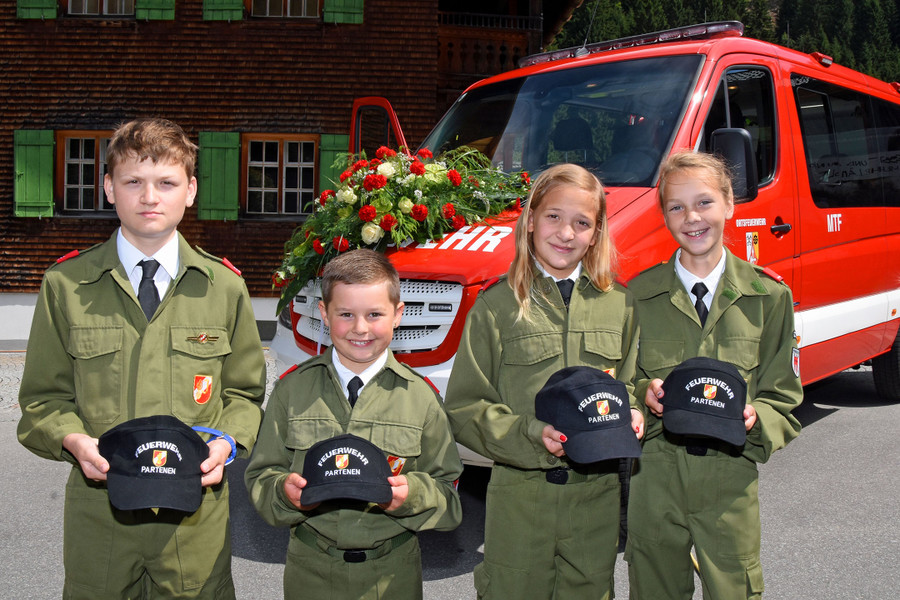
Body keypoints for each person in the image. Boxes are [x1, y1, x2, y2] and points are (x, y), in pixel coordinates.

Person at [16, 118, 267, 599]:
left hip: (194, 515)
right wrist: (73, 440)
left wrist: (225, 443)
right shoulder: (66, 286)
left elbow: (244, 393)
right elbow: (43, 399)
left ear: (190, 191)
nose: (150, 197)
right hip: (101, 514)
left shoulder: (223, 287)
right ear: (109, 188)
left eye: (166, 183)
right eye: (133, 181)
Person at [443, 163, 644, 600]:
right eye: (554, 216)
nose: (566, 233)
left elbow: (631, 381)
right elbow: (464, 407)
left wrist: (633, 408)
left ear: (596, 233)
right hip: (521, 497)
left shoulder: (621, 304)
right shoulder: (498, 305)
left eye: (582, 223)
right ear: (531, 219)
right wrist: (532, 434)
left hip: (596, 498)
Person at [624, 151, 802, 600]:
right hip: (656, 476)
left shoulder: (768, 296)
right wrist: (643, 393)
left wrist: (756, 418)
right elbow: (618, 383)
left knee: (735, 590)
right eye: (676, 207)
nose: (692, 217)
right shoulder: (636, 296)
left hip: (730, 478)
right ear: (664, 216)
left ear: (729, 204)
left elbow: (783, 394)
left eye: (704, 202)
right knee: (655, 589)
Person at [244, 248, 463, 600]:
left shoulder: (421, 397)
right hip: (311, 572)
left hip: (391, 576)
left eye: (374, 314)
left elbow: (449, 497)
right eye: (346, 314)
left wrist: (411, 495)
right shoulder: (292, 390)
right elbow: (260, 475)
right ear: (324, 314)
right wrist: (284, 492)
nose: (360, 328)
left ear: (398, 315)